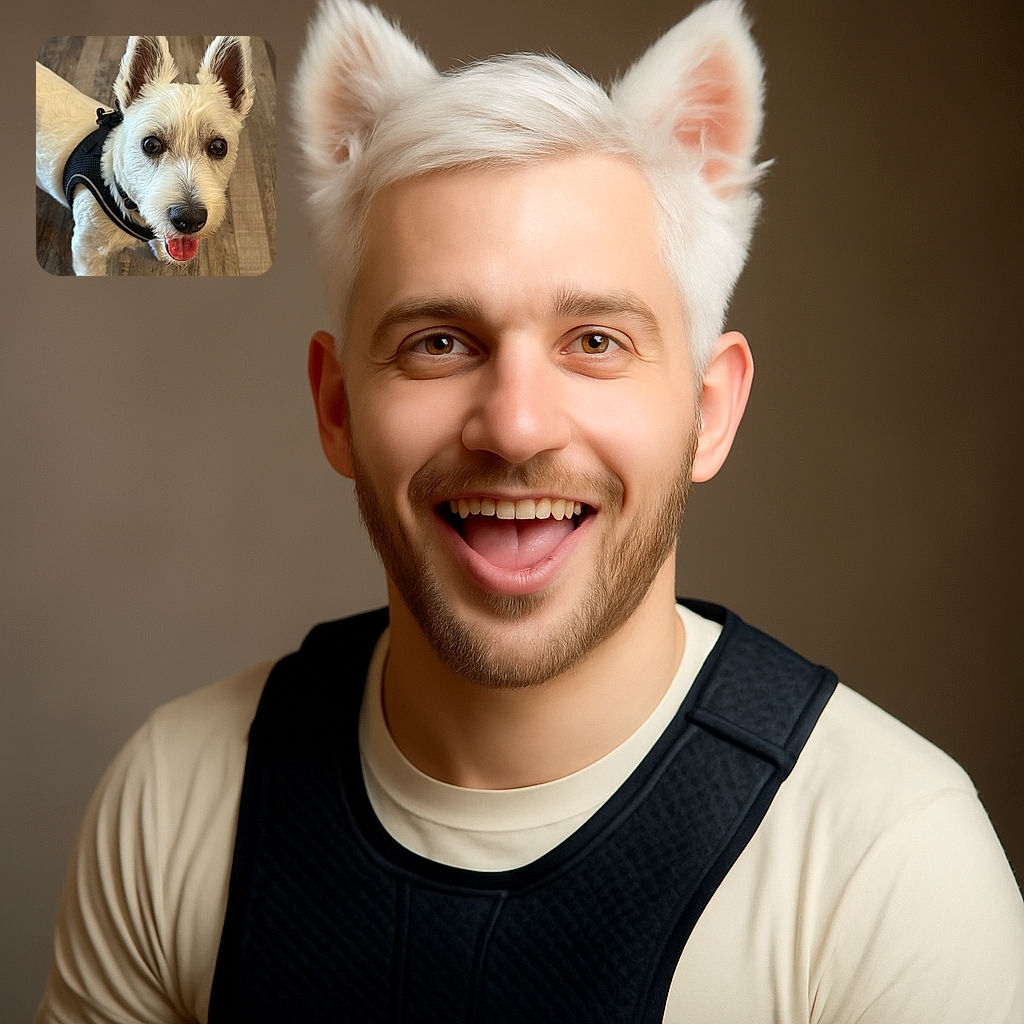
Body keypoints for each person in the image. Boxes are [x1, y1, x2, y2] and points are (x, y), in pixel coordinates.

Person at [35, 1, 1024, 1021]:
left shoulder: (890, 865)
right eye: (438, 342)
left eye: (596, 341)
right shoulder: (173, 801)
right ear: (336, 409)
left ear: (710, 411)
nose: (514, 427)